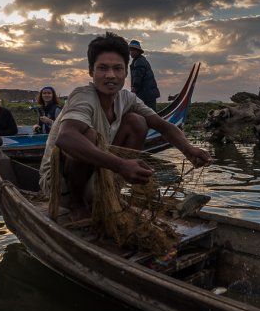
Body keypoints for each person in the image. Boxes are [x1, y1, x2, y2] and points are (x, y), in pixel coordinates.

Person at [39, 32, 211, 219]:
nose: (110, 75)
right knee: (87, 136)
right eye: (103, 68)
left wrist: (189, 150)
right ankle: (78, 206)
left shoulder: (126, 98)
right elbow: (67, 138)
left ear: (125, 73)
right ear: (91, 71)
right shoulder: (83, 96)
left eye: (117, 69)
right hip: (60, 187)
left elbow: (164, 126)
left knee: (137, 121)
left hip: (98, 176)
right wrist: (121, 165)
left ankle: (110, 193)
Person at [128, 39, 160, 110]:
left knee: (149, 114)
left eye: (133, 50)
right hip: (148, 94)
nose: (131, 52)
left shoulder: (139, 62)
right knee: (151, 113)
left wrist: (133, 91)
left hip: (146, 94)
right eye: (131, 50)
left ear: (138, 51)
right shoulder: (139, 60)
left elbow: (137, 78)